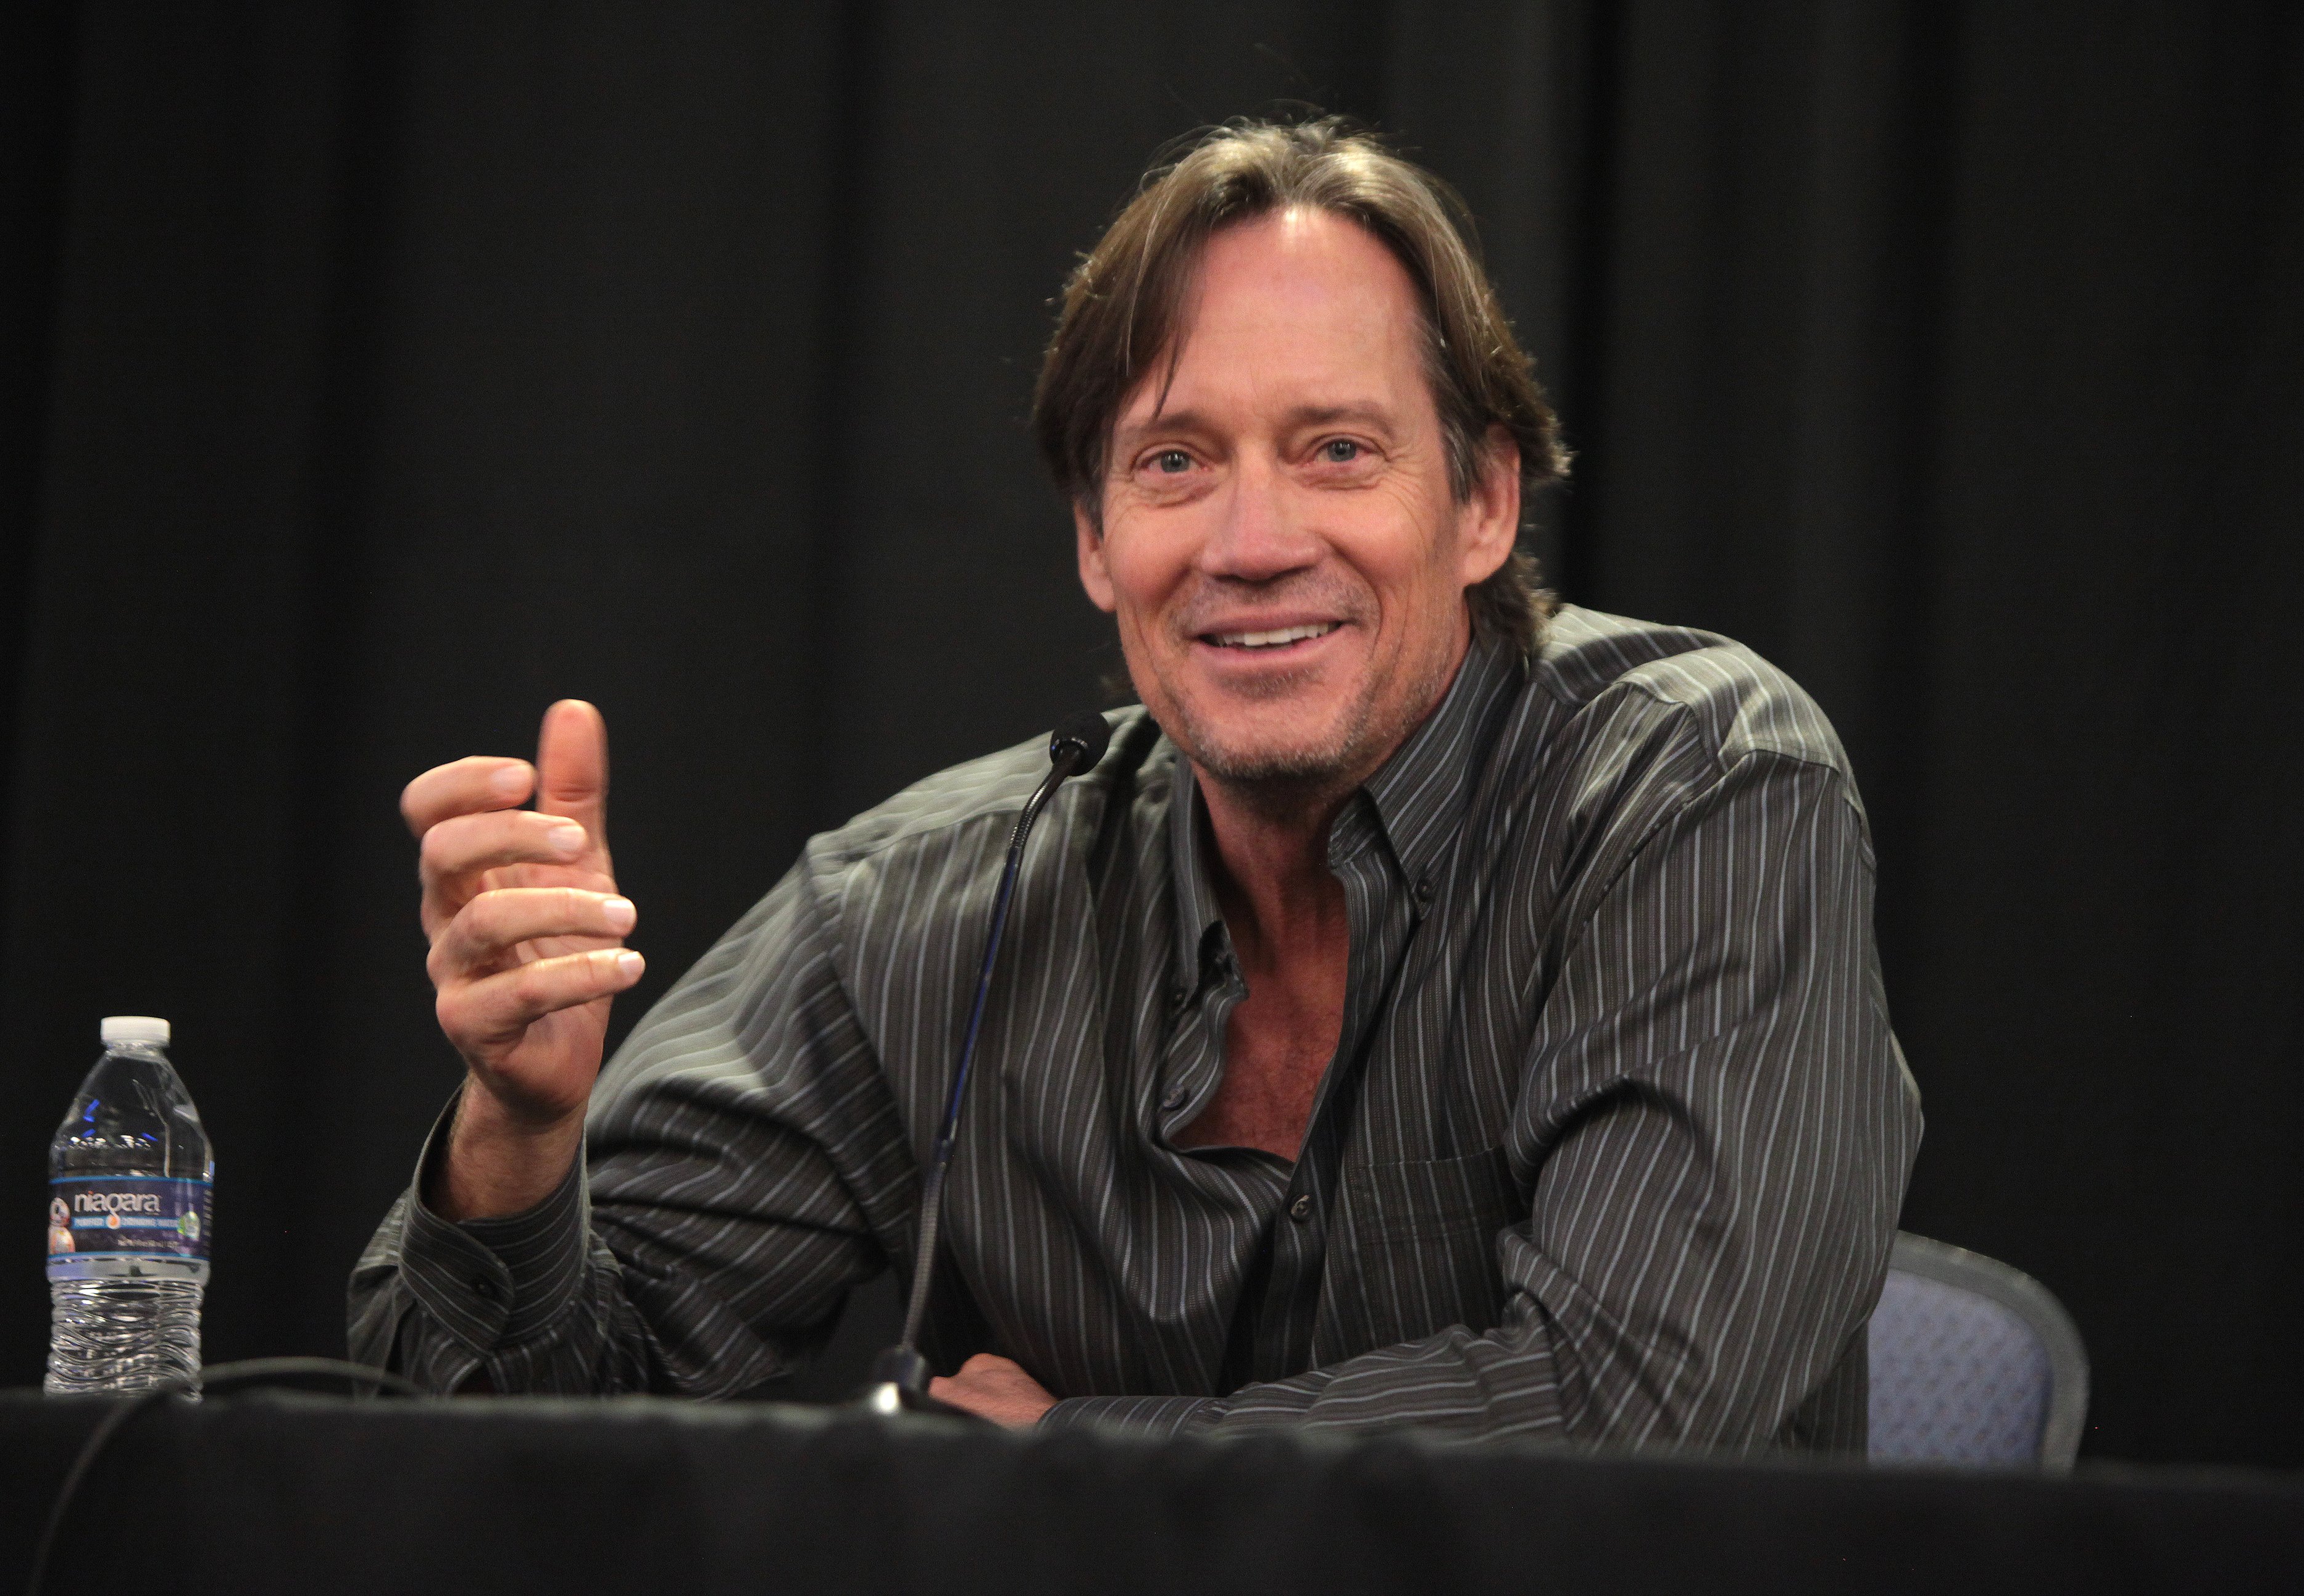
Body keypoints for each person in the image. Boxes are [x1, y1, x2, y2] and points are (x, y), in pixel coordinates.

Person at [349, 119, 1919, 1445]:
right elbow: (506, 1440)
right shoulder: (927, 909)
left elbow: (1631, 1406)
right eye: (1175, 460)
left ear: (1485, 502)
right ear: (1097, 540)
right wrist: (520, 1138)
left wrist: (1092, 1467)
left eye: (1336, 451)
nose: (1250, 543)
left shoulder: (1696, 787)